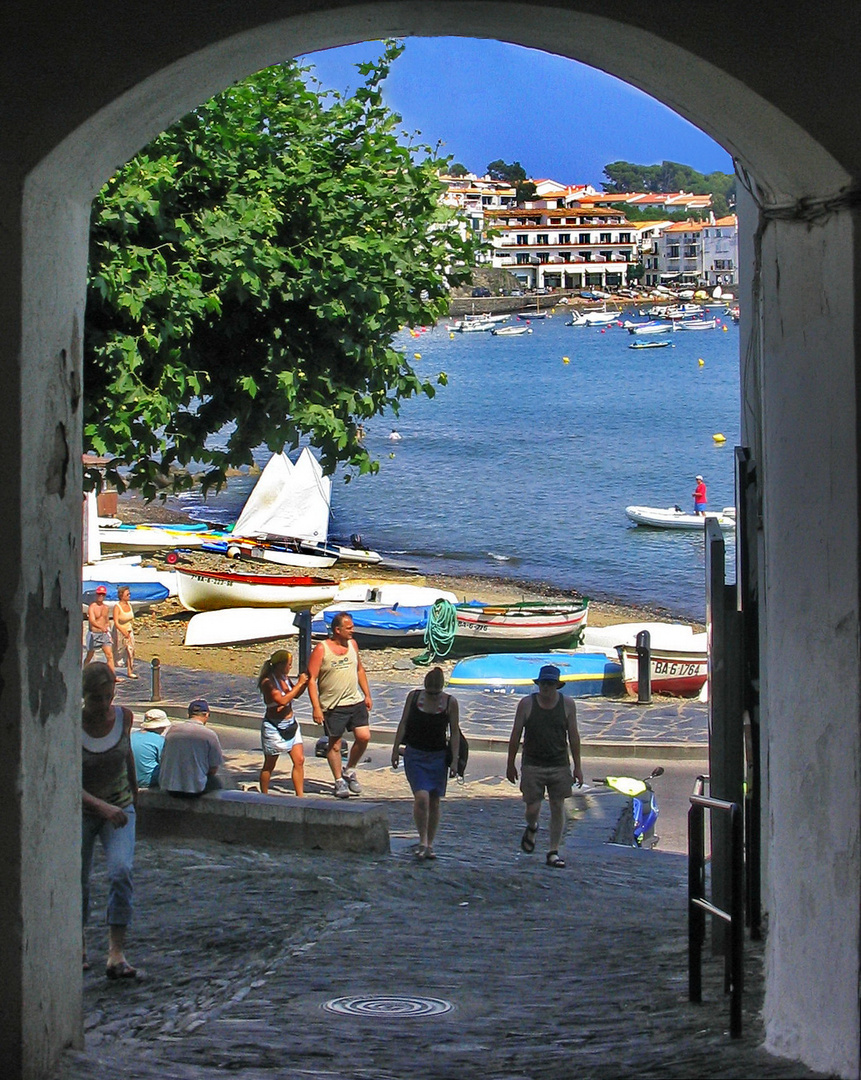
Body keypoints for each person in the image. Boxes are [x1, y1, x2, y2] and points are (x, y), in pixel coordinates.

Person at [81, 662, 139, 979]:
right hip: (84, 809)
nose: (103, 705)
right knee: (78, 880)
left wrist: (134, 795)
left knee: (121, 872)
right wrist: (102, 808)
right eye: (96, 699)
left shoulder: (124, 718)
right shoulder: (71, 724)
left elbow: (126, 754)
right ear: (84, 696)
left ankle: (116, 952)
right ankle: (76, 945)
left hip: (121, 807)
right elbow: (66, 780)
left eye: (108, 697)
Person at [506, 664, 583, 869]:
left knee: (558, 806)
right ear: (538, 684)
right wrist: (510, 763)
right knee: (533, 807)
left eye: (550, 684)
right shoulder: (526, 704)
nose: (546, 688)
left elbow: (573, 737)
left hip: (559, 764)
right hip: (533, 764)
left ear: (557, 686)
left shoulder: (567, 705)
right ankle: (532, 826)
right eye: (543, 684)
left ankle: (553, 851)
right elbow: (515, 735)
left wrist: (578, 767)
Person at [391, 666, 461, 861]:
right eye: (430, 693)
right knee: (421, 797)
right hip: (415, 754)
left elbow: (455, 733)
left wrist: (454, 761)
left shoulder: (450, 703)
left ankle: (430, 843)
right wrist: (395, 748)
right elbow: (403, 722)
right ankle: (422, 840)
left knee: (435, 800)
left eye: (435, 693)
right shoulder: (413, 698)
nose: (432, 696)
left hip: (438, 756)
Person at [307, 612, 372, 799]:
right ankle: (338, 780)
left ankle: (350, 769)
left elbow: (359, 669)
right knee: (334, 745)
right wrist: (316, 707)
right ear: (337, 630)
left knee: (364, 736)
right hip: (333, 706)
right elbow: (311, 679)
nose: (352, 630)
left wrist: (367, 694)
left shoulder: (353, 645)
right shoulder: (322, 649)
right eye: (349, 627)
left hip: (355, 701)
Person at [258, 649, 310, 795]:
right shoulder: (267, 682)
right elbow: (282, 700)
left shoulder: (285, 678)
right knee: (270, 764)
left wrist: (304, 684)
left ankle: (300, 795)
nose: (290, 668)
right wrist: (299, 684)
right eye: (288, 665)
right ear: (279, 664)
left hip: (290, 724)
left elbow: (296, 694)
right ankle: (264, 794)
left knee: (299, 760)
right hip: (274, 726)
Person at [158, 699, 225, 797]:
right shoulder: (209, 735)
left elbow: (163, 758)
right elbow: (214, 768)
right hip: (195, 790)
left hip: (170, 788)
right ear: (206, 715)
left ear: (188, 714)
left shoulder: (172, 730)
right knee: (217, 782)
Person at [131, 708, 171, 788]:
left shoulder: (131, 736)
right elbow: (166, 763)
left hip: (130, 779)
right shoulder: (160, 741)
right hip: (149, 781)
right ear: (160, 726)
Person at [84, 585, 114, 671]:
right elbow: (92, 621)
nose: (101, 596)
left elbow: (107, 620)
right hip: (94, 634)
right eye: (99, 594)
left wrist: (108, 630)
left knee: (109, 655)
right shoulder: (92, 607)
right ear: (96, 595)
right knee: (90, 655)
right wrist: (101, 627)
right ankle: (84, 672)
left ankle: (113, 676)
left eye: (102, 594)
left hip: (104, 634)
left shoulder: (106, 608)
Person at [112, 584, 138, 678]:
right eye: (127, 594)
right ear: (121, 596)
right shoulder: (117, 607)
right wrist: (123, 631)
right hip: (119, 630)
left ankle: (130, 671)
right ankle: (112, 671)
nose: (129, 596)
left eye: (129, 594)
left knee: (130, 650)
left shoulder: (129, 605)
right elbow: (116, 622)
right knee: (118, 653)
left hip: (129, 629)